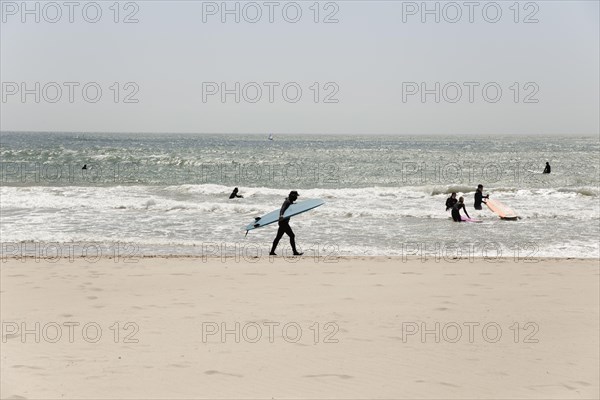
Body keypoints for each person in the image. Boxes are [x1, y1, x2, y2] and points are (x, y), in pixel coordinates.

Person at [270, 191, 303, 256]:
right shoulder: (287, 202)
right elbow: (282, 209)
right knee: (292, 235)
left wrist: (294, 205)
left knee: (278, 237)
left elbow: (288, 208)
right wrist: (281, 215)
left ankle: (272, 252)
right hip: (283, 222)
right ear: (293, 195)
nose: (296, 198)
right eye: (296, 196)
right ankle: (295, 252)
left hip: (283, 222)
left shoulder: (290, 202)